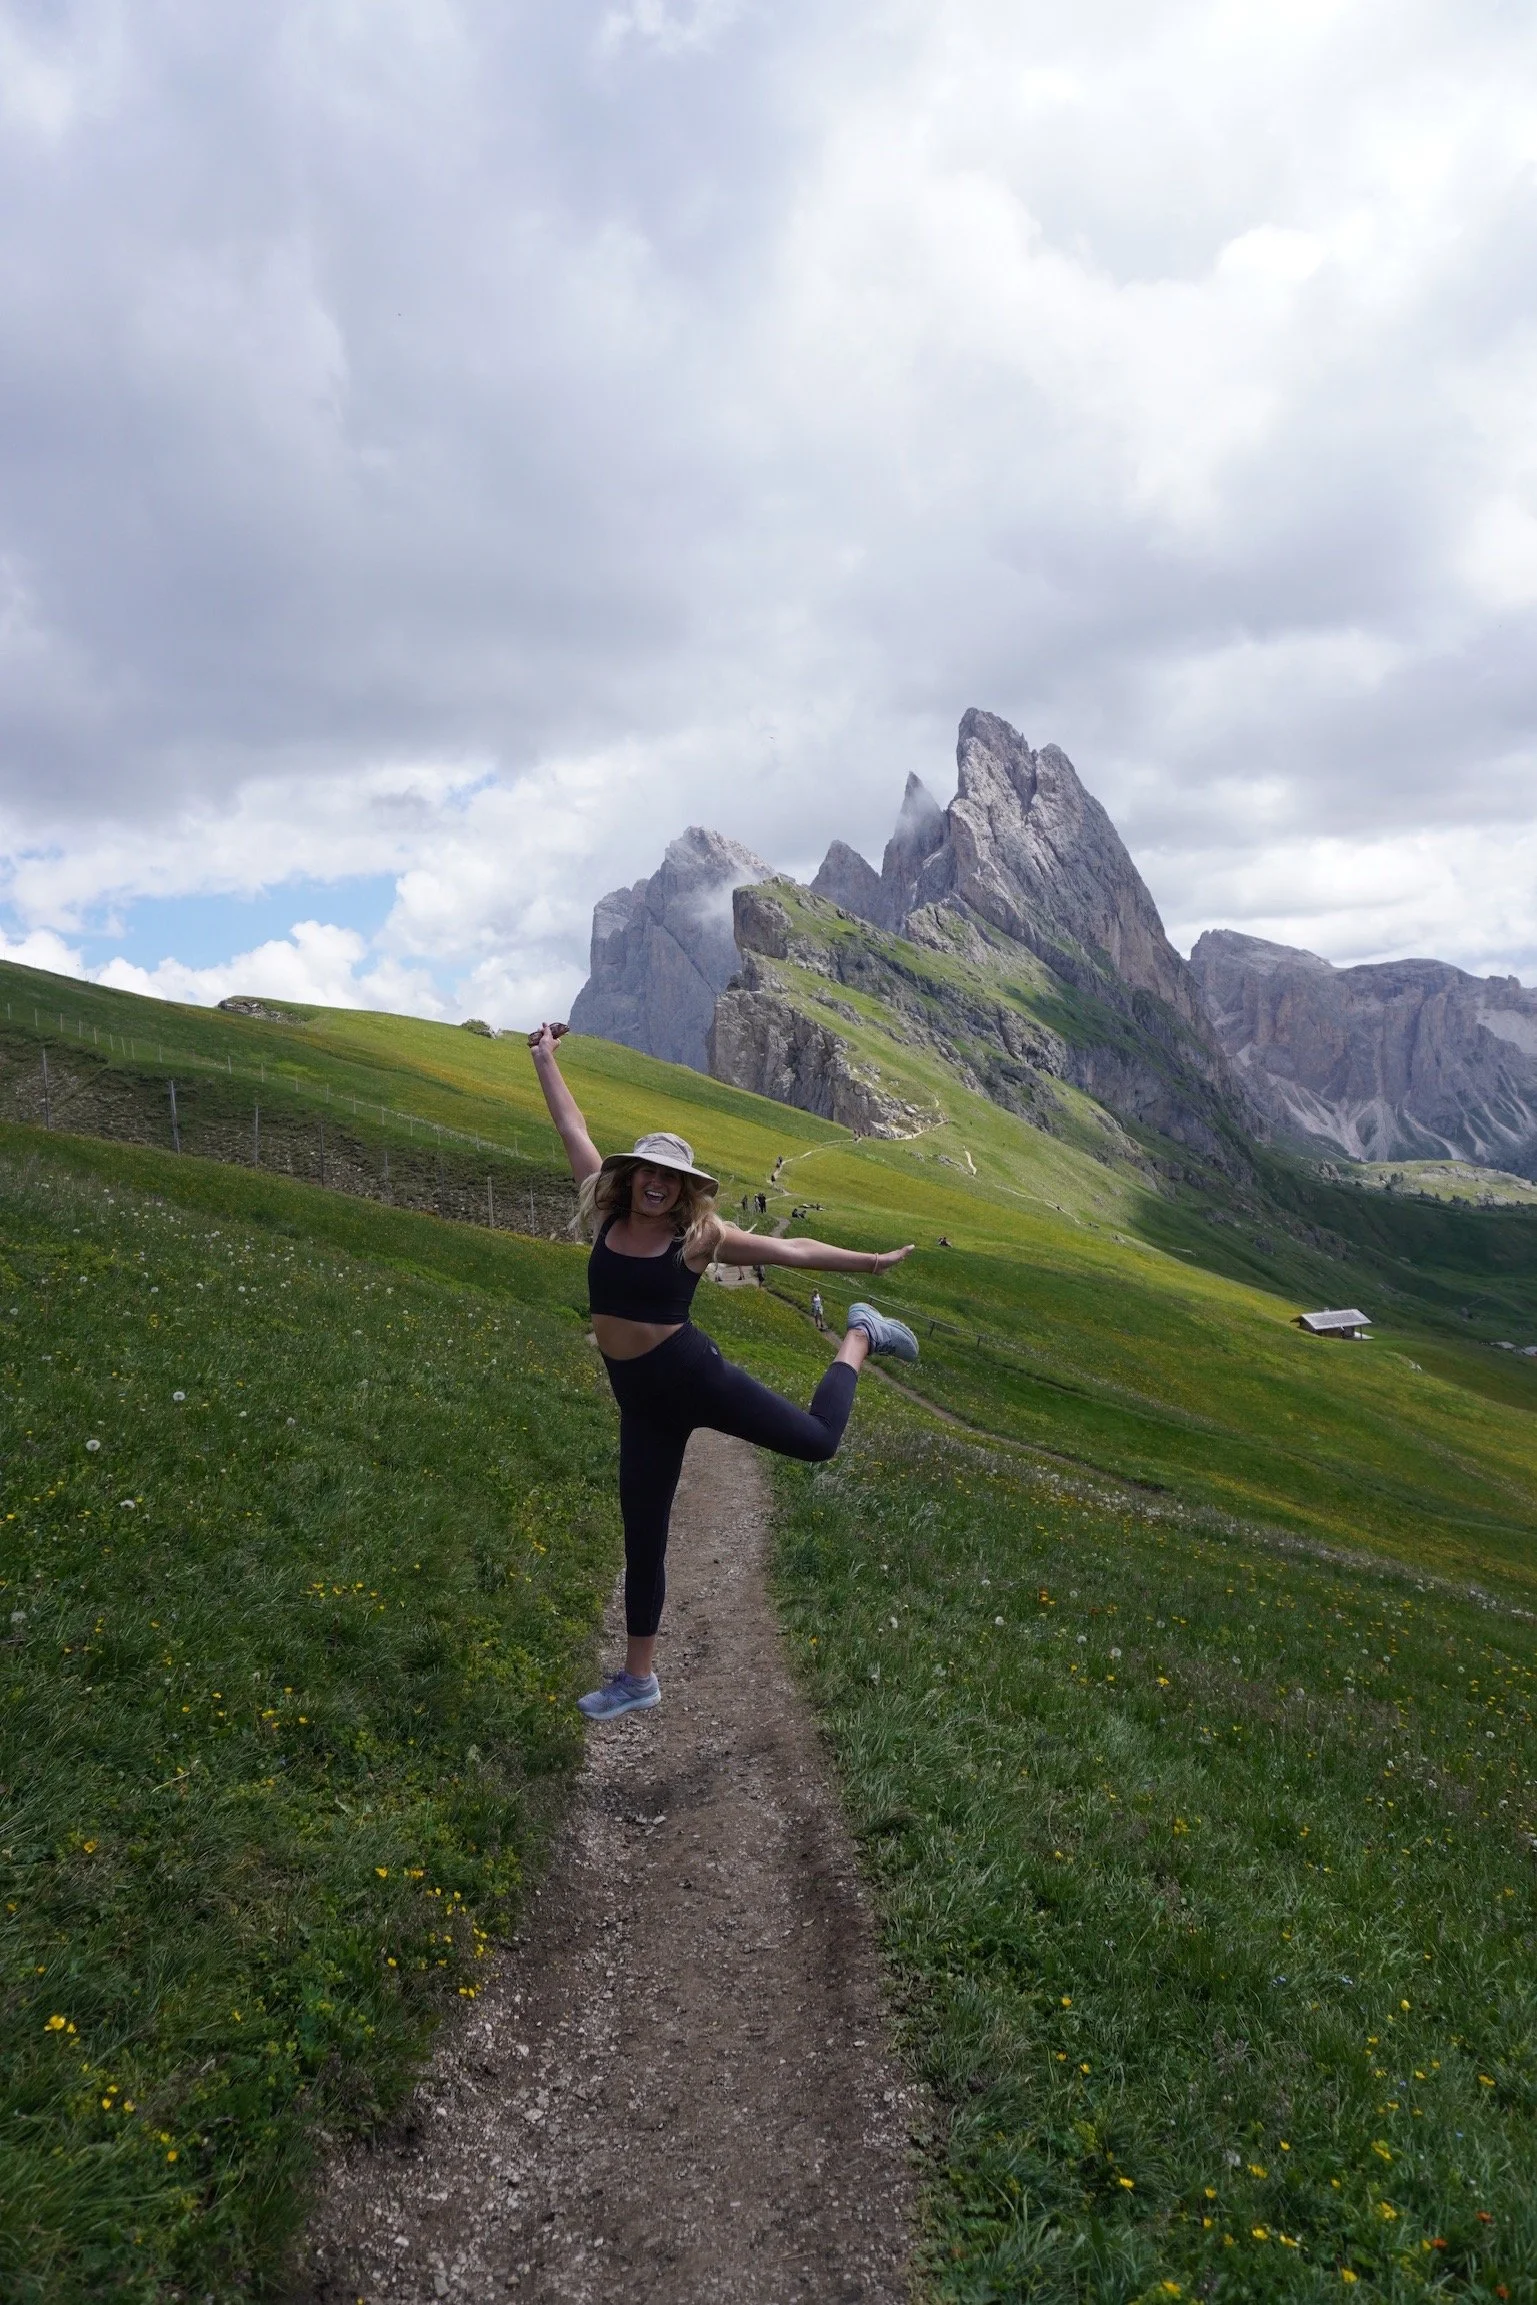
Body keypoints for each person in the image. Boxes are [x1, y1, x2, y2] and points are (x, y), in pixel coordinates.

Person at [528, 1022, 919, 1721]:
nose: (655, 1183)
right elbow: (569, 1121)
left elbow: (791, 1247)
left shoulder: (698, 1239)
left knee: (816, 1442)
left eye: (669, 1178)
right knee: (641, 1533)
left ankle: (860, 1334)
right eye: (647, 1171)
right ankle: (637, 1677)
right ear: (631, 1175)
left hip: (691, 1375)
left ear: (684, 1192)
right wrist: (543, 1057)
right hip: (639, 1402)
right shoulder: (602, 1208)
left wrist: (867, 1263)